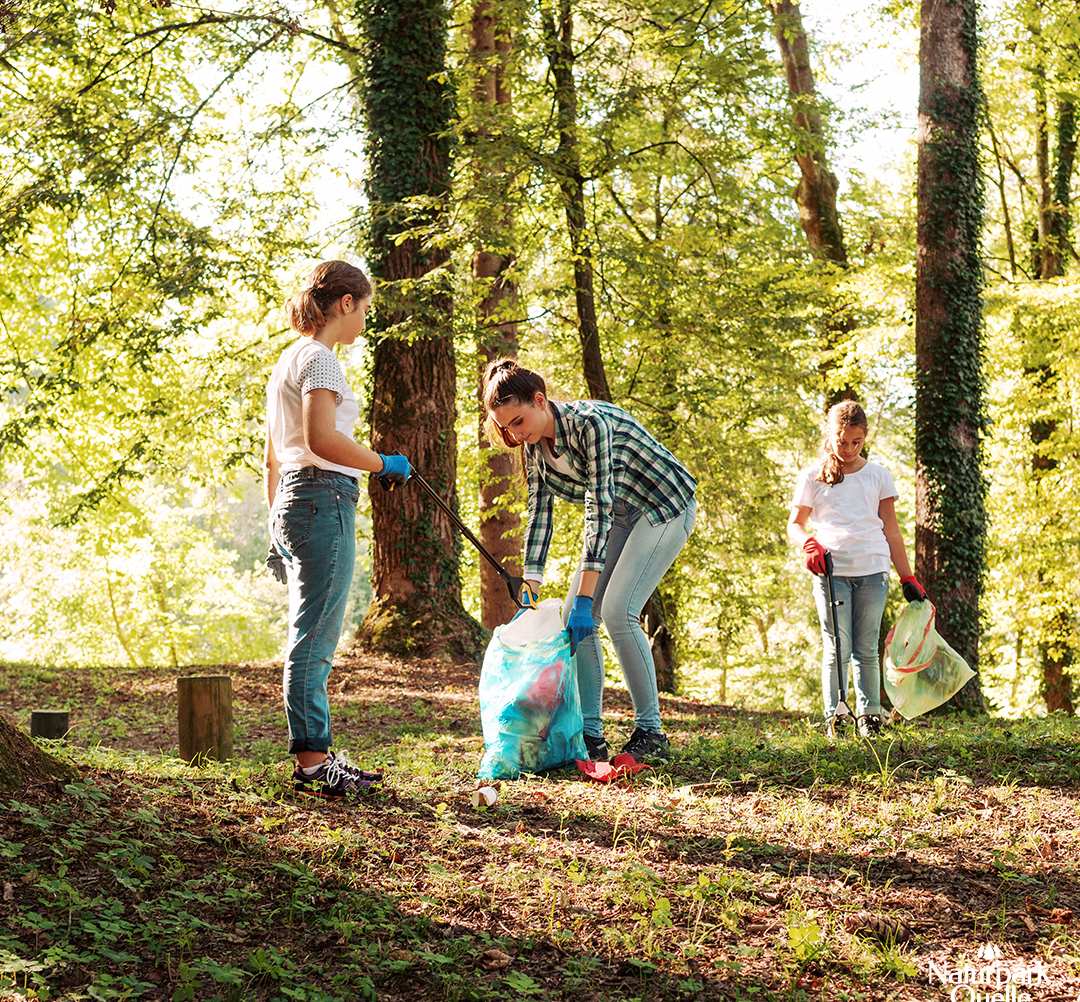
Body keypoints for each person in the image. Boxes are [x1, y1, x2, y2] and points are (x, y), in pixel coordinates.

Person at [482, 359, 697, 763]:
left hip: (664, 505)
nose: (514, 432)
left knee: (617, 612)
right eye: (506, 426)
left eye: (518, 420)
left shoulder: (590, 425)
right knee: (571, 621)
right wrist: (532, 581)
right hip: (621, 514)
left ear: (540, 400)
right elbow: (539, 512)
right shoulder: (534, 449)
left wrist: (586, 598)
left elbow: (597, 507)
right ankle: (591, 735)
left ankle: (651, 732)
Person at [264, 260, 411, 797]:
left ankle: (315, 753)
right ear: (345, 303)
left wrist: (276, 524)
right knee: (316, 636)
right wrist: (382, 463)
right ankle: (311, 760)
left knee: (312, 631)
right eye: (365, 308)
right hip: (323, 498)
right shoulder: (321, 360)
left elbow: (272, 458)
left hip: (296, 500)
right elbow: (323, 441)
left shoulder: (288, 360)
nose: (365, 321)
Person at [786, 400, 926, 740]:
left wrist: (907, 576)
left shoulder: (878, 476)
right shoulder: (813, 476)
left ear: (864, 439)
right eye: (842, 440)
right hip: (831, 572)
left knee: (866, 648)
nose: (848, 448)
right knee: (837, 648)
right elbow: (795, 525)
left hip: (873, 570)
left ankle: (869, 717)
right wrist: (809, 544)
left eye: (856, 442)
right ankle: (836, 715)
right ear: (830, 435)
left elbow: (891, 529)